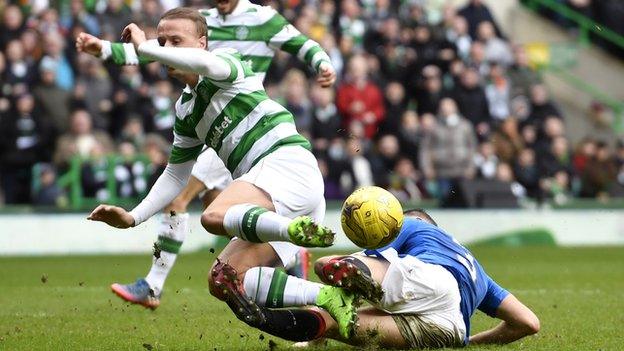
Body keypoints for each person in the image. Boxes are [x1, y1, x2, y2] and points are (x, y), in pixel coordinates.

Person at [76, 0, 336, 309]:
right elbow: (175, 174)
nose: (167, 48)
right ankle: (327, 301)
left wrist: (146, 48)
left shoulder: (227, 62)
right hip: (268, 184)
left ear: (202, 43)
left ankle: (293, 232)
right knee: (225, 279)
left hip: (285, 163)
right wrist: (133, 217)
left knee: (214, 215)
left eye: (176, 42)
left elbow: (208, 64)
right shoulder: (185, 109)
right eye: (163, 43)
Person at [227, 208, 540, 349]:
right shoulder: (478, 270)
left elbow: (355, 277)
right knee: (337, 322)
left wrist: (348, 271)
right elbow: (528, 323)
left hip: (432, 279)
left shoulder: (412, 225)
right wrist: (470, 343)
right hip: (451, 327)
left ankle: (288, 307)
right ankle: (265, 319)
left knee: (329, 266)